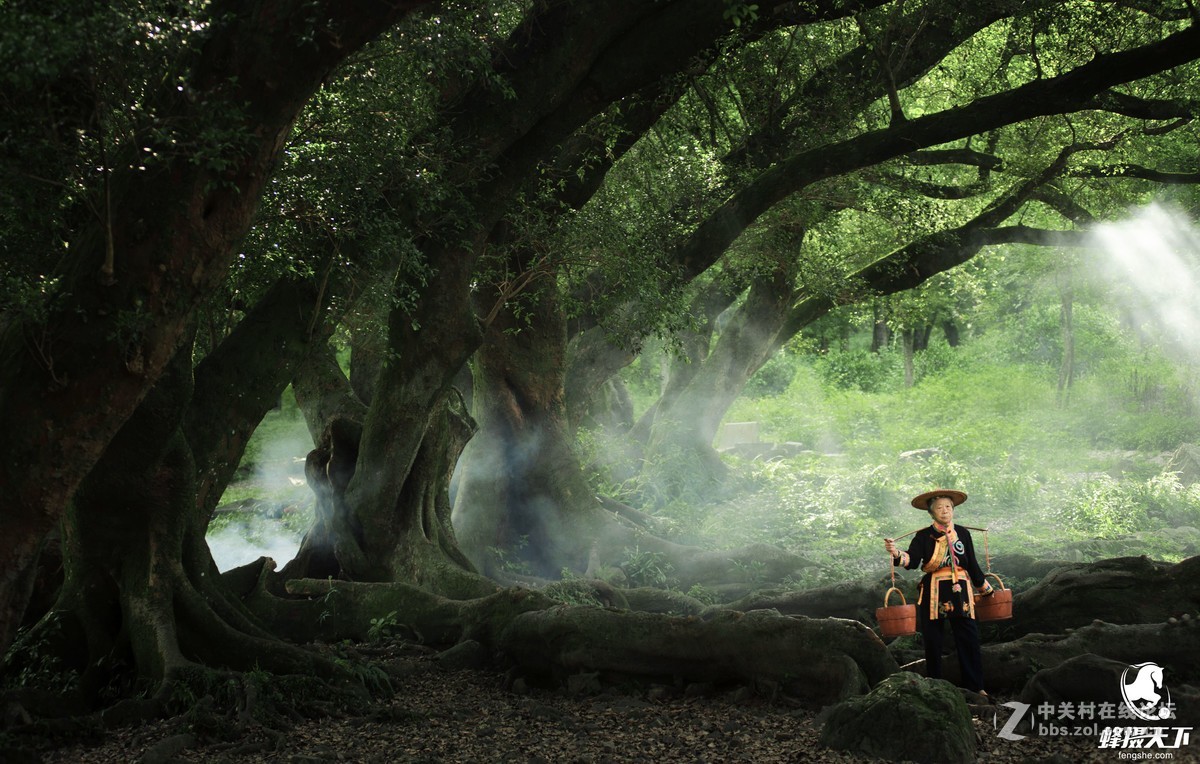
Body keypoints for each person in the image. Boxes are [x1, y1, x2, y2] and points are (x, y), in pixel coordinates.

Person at [884, 488, 994, 695]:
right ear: (931, 512)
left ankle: (976, 686)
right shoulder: (923, 536)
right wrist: (896, 553)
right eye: (939, 508)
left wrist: (985, 588)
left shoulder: (962, 533)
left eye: (948, 507)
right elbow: (912, 561)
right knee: (933, 639)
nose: (945, 511)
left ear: (953, 509)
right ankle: (934, 686)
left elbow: (972, 563)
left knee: (968, 637)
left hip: (960, 589)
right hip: (933, 590)